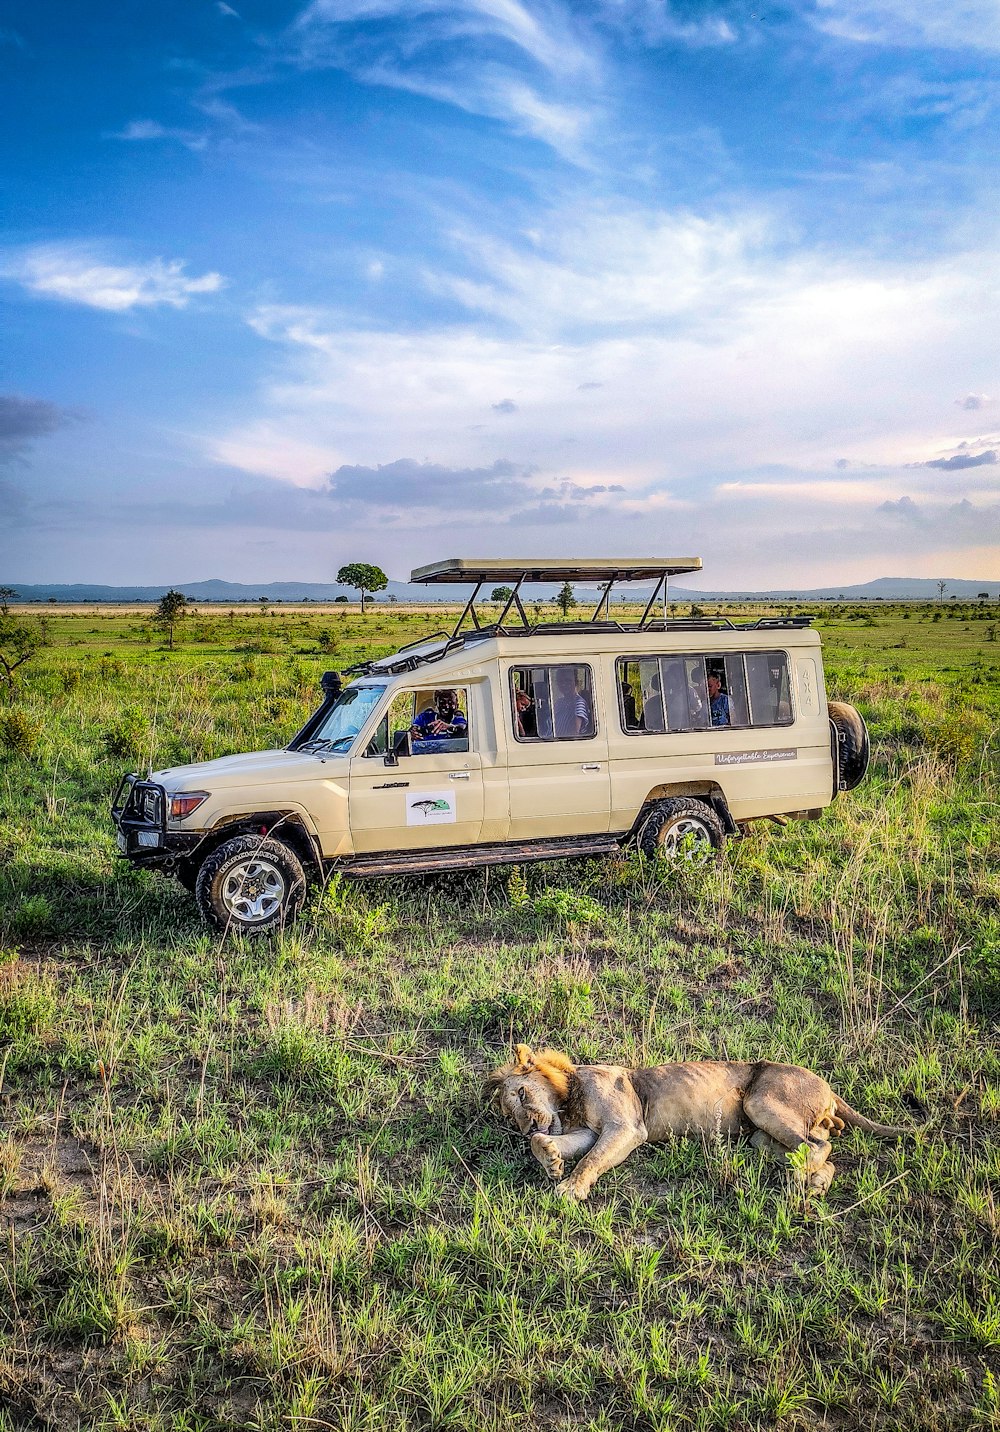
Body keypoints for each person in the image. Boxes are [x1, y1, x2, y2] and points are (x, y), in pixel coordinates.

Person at [553, 667, 591, 737]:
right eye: (561, 681)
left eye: (568, 681)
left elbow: (574, 733)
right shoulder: (559, 702)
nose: (564, 684)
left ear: (576, 682)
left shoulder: (579, 703)